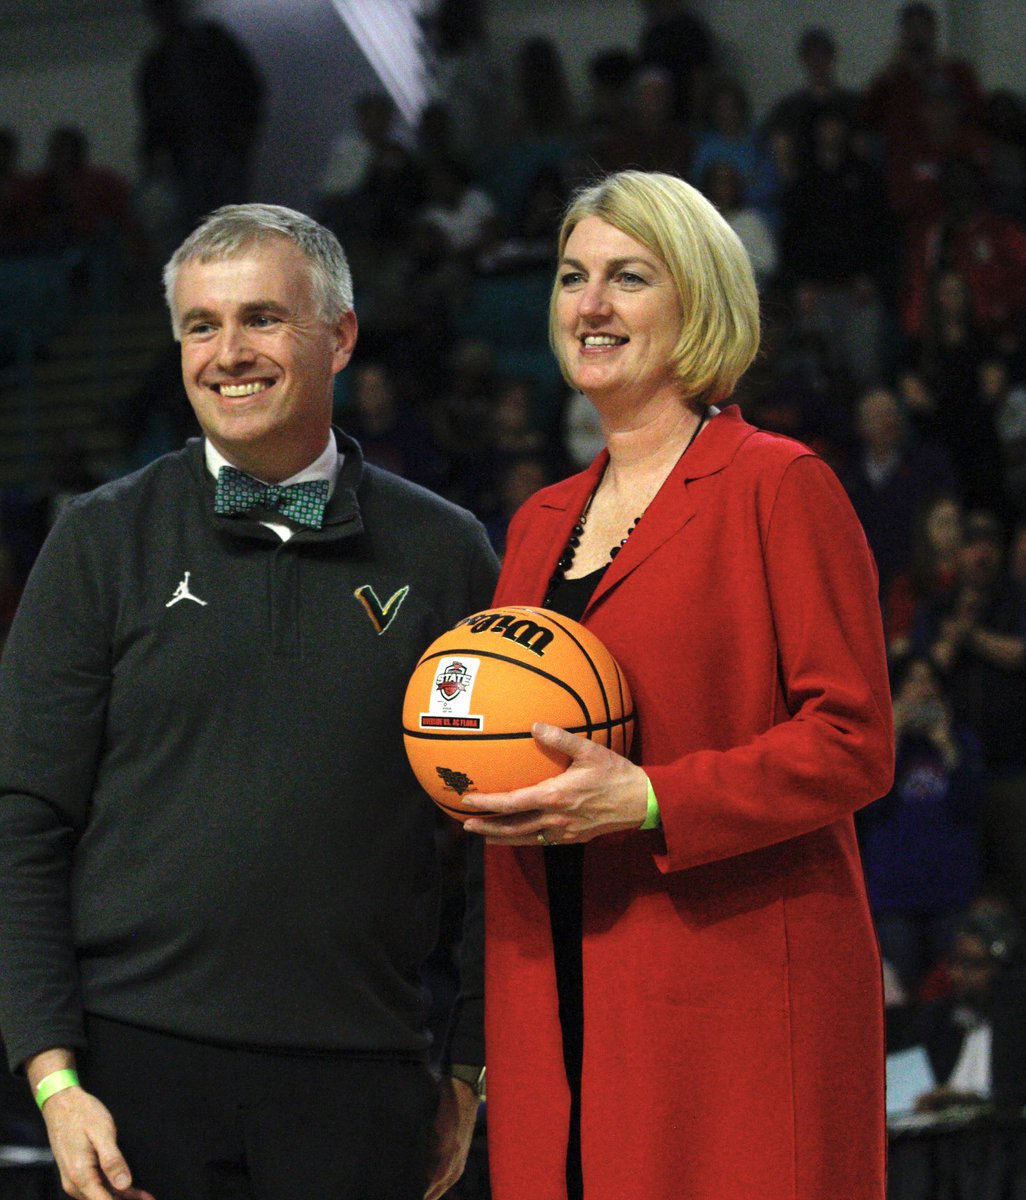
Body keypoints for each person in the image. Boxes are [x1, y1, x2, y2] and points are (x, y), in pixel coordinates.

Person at [0, 204, 498, 1200]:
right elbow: (24, 822)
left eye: (262, 318)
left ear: (341, 336)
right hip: (132, 1072)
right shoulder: (100, 540)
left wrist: (473, 1062)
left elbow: (499, 841)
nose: (228, 353)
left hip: (361, 1075)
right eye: (201, 325)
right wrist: (52, 1078)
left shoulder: (447, 555)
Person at [459, 171, 895, 1199]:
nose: (590, 304)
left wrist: (651, 796)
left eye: (628, 276)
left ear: (698, 302)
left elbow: (854, 740)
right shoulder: (535, 524)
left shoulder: (780, 485)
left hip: (731, 1002)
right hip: (555, 994)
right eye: (572, 277)